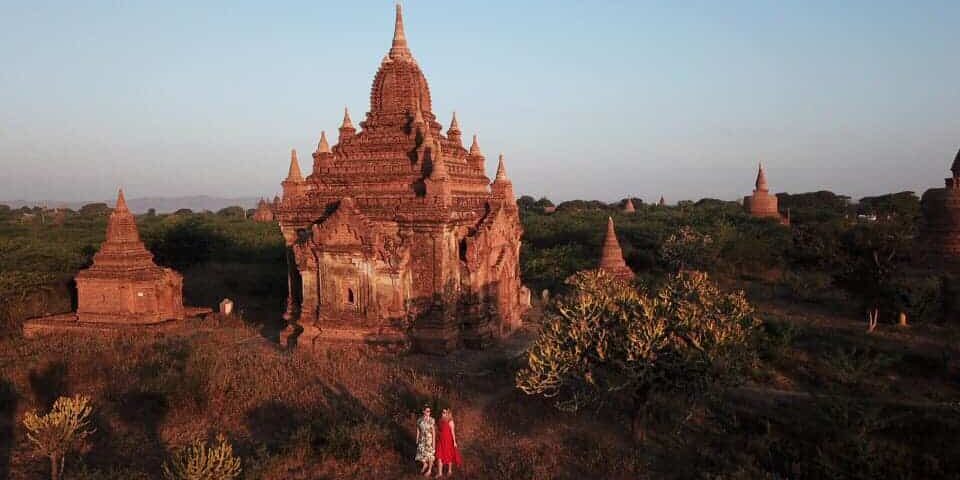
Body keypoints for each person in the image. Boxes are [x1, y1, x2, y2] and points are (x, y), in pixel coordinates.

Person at [434, 408, 461, 477]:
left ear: (448, 413)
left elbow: (453, 432)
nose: (443, 413)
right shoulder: (440, 420)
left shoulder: (450, 421)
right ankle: (440, 473)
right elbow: (439, 430)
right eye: (442, 412)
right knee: (439, 456)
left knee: (448, 454)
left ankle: (449, 470)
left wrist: (454, 442)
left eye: (444, 412)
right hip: (440, 440)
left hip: (448, 441)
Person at [415, 405, 436, 476]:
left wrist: (433, 443)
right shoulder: (419, 420)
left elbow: (433, 432)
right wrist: (417, 439)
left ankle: (429, 470)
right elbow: (418, 429)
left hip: (429, 439)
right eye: (427, 411)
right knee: (421, 453)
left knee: (430, 455)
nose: (428, 412)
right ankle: (425, 464)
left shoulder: (431, 420)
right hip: (422, 439)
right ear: (423, 411)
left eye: (429, 411)